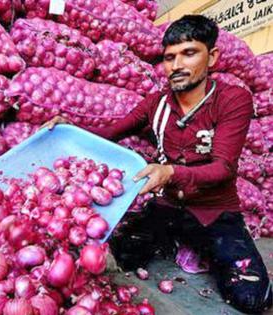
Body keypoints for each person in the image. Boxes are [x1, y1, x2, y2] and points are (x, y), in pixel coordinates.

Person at [46, 15, 272, 314]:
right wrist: (68, 127)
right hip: (167, 207)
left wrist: (170, 172)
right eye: (169, 57)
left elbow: (224, 168)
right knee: (122, 254)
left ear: (212, 56)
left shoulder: (232, 99)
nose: (177, 65)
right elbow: (111, 133)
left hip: (214, 211)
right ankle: (180, 241)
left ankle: (198, 244)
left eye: (189, 53)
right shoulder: (156, 103)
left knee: (251, 298)